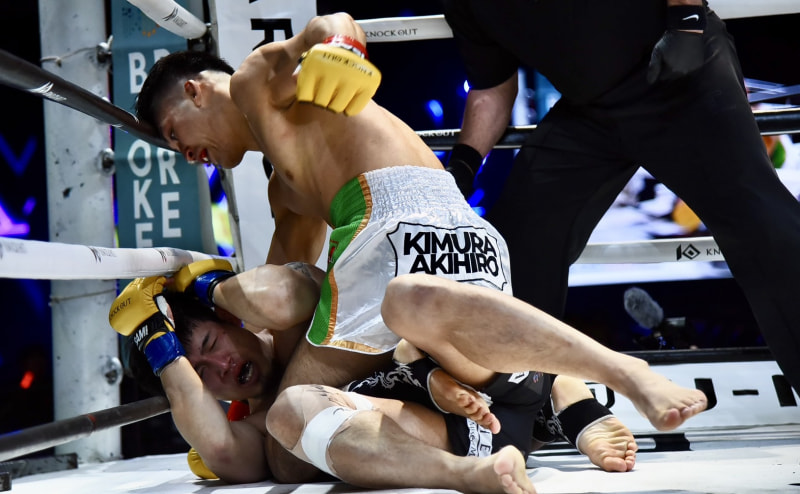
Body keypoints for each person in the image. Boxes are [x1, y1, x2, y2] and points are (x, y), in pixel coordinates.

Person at [132, 10, 633, 481]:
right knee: (365, 385)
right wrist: (245, 403)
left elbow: (328, 25)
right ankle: (538, 402)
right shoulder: (286, 193)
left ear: (196, 91)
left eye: (175, 133)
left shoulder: (251, 85)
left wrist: (340, 47)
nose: (187, 155)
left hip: (388, 233)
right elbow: (279, 325)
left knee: (290, 450)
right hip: (473, 238)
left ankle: (532, 400)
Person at [442, 0, 800, 393]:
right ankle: (522, 405)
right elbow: (491, 88)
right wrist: (461, 167)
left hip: (676, 75)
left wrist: (686, 23)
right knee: (516, 246)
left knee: (765, 229)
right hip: (590, 109)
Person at [111, 260, 638, 486]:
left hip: (489, 374)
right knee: (293, 412)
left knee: (413, 307)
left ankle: (573, 401)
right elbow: (222, 451)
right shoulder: (257, 427)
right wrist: (161, 348)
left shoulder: (297, 321)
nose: (222, 367)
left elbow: (284, 293)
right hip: (469, 441)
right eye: (202, 376)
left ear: (230, 320)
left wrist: (210, 287)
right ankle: (473, 470)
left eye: (210, 346)